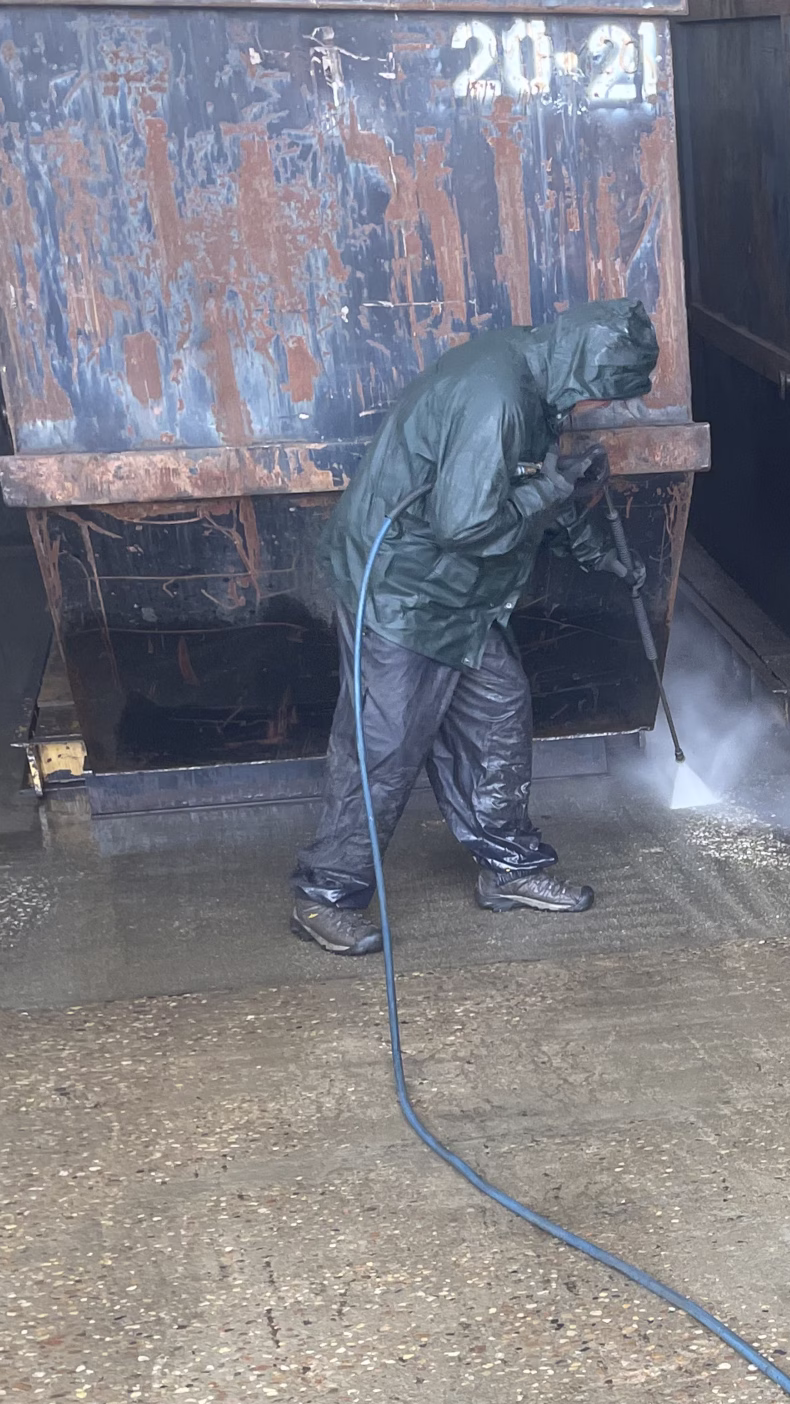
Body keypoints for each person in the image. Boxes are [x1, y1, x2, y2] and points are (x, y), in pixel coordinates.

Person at [289, 298, 660, 955]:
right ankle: (326, 895)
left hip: (460, 595)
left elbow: (522, 482)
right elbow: (463, 526)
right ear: (585, 367)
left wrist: (594, 547)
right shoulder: (498, 398)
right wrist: (557, 487)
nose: (601, 406)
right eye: (606, 391)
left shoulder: (537, 380)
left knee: (498, 712)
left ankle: (509, 868)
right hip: (403, 587)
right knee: (386, 744)